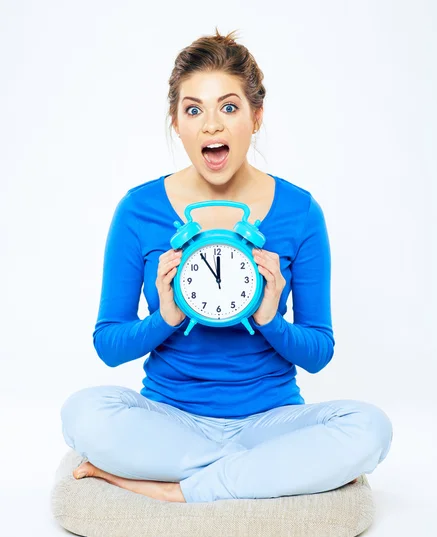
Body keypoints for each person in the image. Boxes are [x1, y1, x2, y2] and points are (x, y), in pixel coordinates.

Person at [60, 28, 393, 504]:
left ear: (256, 117)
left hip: (270, 425)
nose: (211, 125)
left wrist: (269, 319)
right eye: (193, 109)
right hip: (170, 422)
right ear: (176, 122)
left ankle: (184, 487)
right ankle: (252, 479)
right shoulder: (139, 210)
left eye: (229, 107)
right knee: (83, 412)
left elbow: (319, 351)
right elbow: (108, 346)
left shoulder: (300, 212)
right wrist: (167, 317)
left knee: (370, 428)